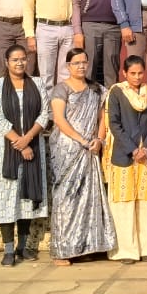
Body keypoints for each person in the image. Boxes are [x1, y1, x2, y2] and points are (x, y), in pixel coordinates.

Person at [48, 48, 117, 265]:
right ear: (68, 66)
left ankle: (86, 247)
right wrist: (82, 140)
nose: (81, 66)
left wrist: (99, 139)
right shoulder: (61, 89)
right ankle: (62, 250)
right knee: (66, 198)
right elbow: (59, 120)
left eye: (84, 62)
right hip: (67, 149)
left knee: (88, 198)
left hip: (90, 150)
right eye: (76, 63)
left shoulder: (96, 89)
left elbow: (102, 119)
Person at [0, 44, 49, 267]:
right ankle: (8, 249)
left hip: (33, 147)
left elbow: (45, 114)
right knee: (6, 197)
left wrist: (28, 138)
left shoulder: (37, 83)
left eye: (23, 58)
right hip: (6, 151)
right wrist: (21, 144)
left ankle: (22, 247)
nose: (20, 63)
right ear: (6, 62)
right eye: (15, 59)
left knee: (26, 196)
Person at [100, 55, 147, 264]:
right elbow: (114, 124)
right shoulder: (116, 92)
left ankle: (146, 248)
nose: (137, 77)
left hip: (146, 155)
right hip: (123, 155)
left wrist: (146, 148)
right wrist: (132, 149)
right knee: (124, 202)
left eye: (140, 73)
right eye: (133, 73)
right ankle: (126, 250)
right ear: (124, 73)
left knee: (144, 200)